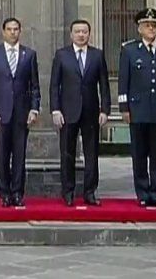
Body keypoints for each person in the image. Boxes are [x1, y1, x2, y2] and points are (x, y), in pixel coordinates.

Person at [118, 7, 156, 208]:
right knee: (139, 155)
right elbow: (124, 81)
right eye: (147, 25)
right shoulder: (129, 50)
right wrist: (124, 108)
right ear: (139, 29)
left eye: (154, 25)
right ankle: (143, 193)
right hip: (138, 110)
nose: (151, 29)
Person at [49, 19, 111, 207]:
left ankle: (90, 192)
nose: (81, 35)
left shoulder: (97, 55)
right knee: (67, 153)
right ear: (71, 34)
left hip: (91, 112)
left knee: (92, 154)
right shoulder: (62, 55)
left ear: (89, 34)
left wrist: (105, 110)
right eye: (77, 31)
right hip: (68, 111)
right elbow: (54, 85)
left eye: (84, 31)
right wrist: (55, 109)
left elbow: (104, 85)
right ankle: (68, 192)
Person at [0, 17, 41, 208]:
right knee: (2, 155)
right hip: (0, 113)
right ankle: (4, 192)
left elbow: (34, 85)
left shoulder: (29, 55)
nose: (13, 32)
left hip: (22, 113)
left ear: (20, 31)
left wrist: (34, 108)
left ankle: (17, 192)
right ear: (3, 31)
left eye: (16, 29)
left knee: (19, 155)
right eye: (9, 29)